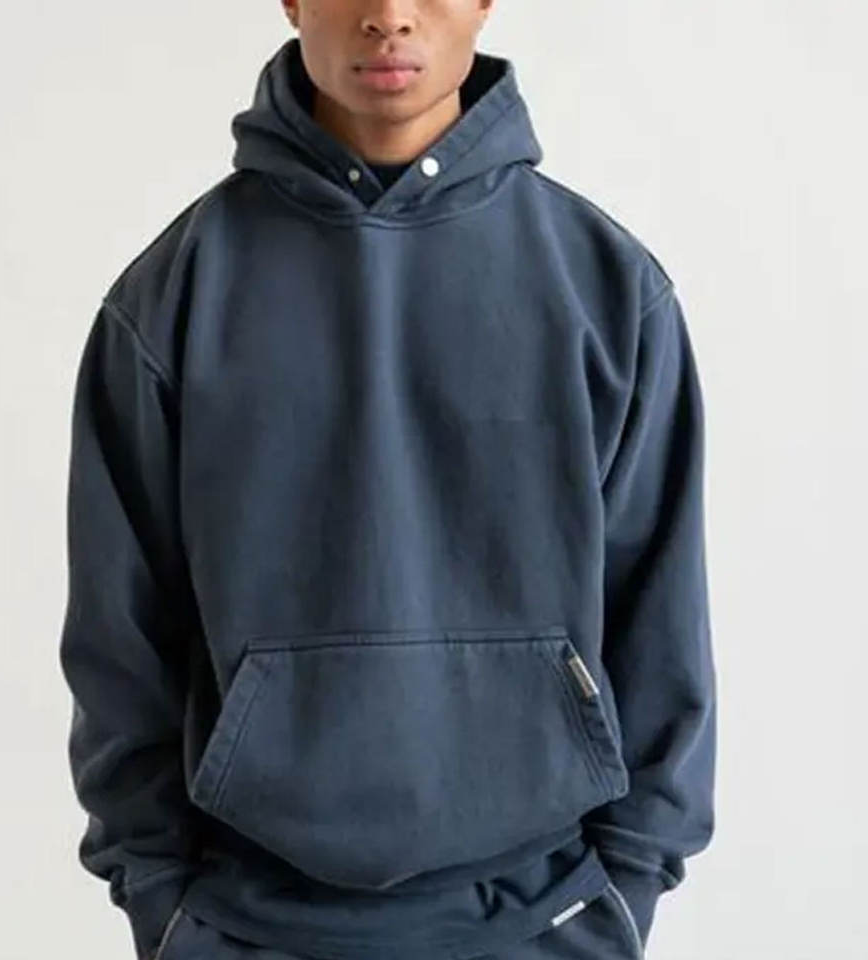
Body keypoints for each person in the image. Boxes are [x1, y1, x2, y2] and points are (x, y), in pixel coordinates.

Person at [58, 3, 717, 959]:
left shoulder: (607, 292)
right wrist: (162, 899)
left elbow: (663, 626)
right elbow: (120, 647)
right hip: (245, 924)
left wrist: (629, 886)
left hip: (549, 918)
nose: (389, 16)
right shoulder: (173, 297)